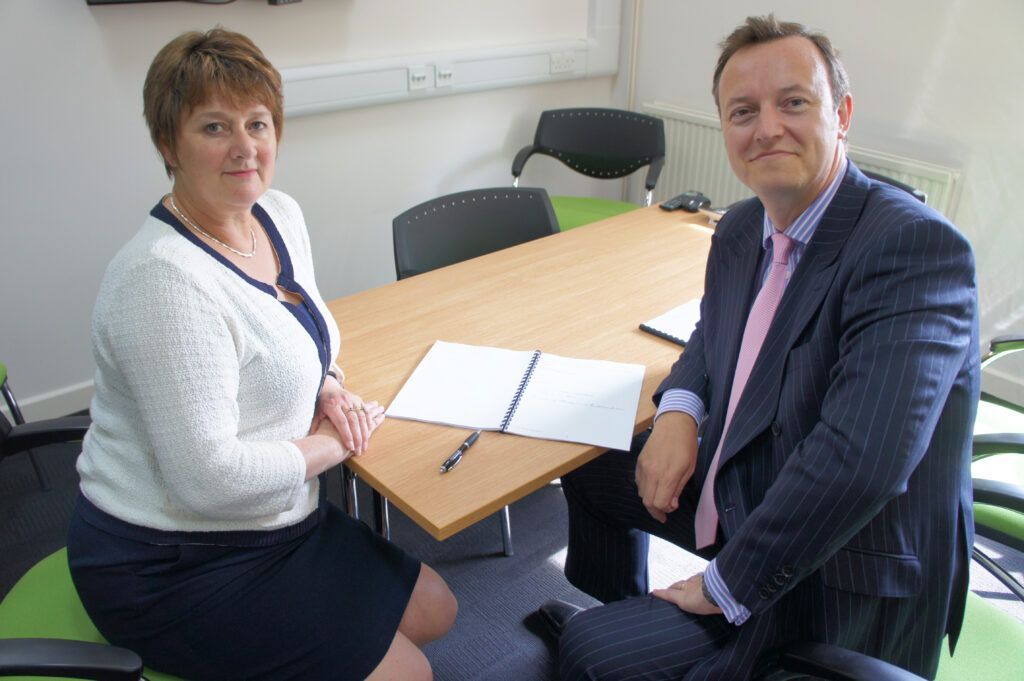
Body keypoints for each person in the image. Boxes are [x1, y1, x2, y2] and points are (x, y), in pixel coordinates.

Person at [526, 14, 978, 681]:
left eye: (793, 102)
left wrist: (725, 583)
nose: (766, 127)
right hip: (756, 477)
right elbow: (714, 331)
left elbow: (860, 462)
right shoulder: (741, 228)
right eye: (743, 111)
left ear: (842, 113)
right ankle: (629, 616)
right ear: (726, 131)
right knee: (594, 460)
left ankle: (627, 642)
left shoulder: (912, 249)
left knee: (590, 656)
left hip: (843, 556)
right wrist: (679, 410)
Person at [66, 28, 456, 681]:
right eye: (215, 127)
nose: (246, 146)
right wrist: (336, 442)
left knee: (438, 610)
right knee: (411, 672)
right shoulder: (162, 280)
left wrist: (329, 387)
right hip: (171, 557)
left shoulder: (277, 214)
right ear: (169, 143)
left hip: (279, 515)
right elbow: (207, 480)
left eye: (258, 122)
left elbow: (308, 333)